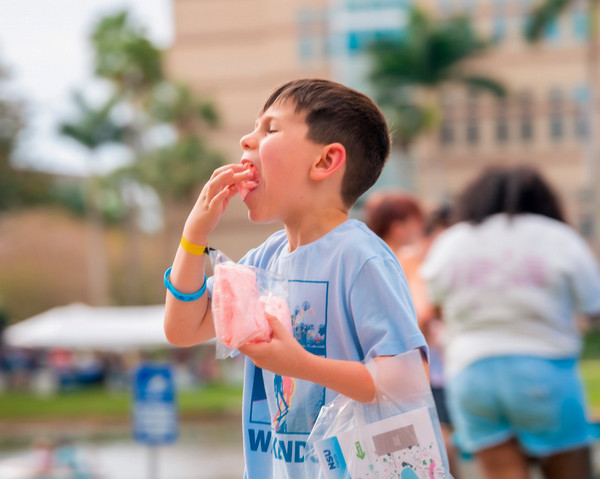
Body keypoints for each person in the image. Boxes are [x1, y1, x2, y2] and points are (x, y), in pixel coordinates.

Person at [163, 79, 429, 478]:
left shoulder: (359, 256)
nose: (246, 140)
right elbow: (183, 329)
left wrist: (300, 364)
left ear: (325, 162)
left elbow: (407, 379)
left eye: (269, 129)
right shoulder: (262, 260)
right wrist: (193, 237)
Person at [420, 165, 600, 479]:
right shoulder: (556, 236)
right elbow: (593, 306)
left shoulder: (454, 241)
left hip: (471, 374)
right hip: (544, 369)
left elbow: (428, 312)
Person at [365, 193, 461, 478]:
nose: (422, 230)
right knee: (436, 451)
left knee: (390, 457)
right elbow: (423, 312)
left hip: (373, 374)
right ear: (399, 226)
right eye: (418, 223)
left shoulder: (366, 257)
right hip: (411, 374)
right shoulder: (405, 260)